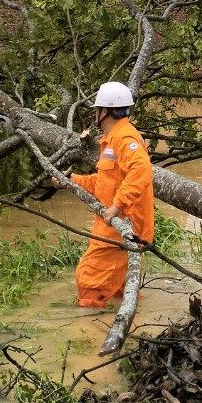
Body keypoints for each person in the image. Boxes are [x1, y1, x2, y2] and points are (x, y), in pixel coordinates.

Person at [68, 81, 155, 308]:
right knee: (119, 291)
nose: (95, 114)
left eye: (97, 109)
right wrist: (73, 181)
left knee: (89, 283)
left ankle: (88, 332)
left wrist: (117, 206)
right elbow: (107, 181)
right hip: (114, 223)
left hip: (122, 225)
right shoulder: (112, 139)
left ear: (105, 111)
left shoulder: (125, 138)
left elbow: (141, 170)